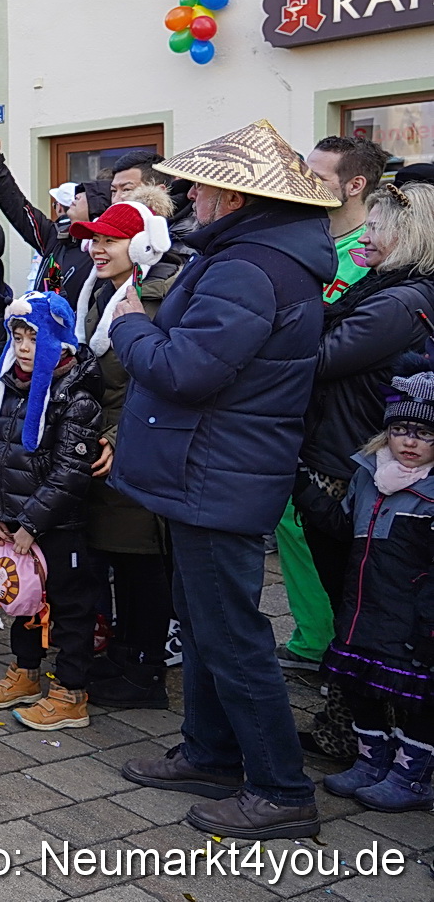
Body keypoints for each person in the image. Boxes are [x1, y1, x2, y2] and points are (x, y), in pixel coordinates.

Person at [112, 119, 337, 840]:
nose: (190, 196)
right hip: (213, 467)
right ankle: (210, 751)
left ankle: (279, 787)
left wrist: (128, 325)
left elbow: (187, 369)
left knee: (232, 634)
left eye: (201, 186)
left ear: (234, 198)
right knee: (207, 625)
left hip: (216, 472)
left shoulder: (248, 266)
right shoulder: (263, 254)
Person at [294, 181, 434, 757]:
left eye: (376, 226)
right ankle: (355, 726)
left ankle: (366, 732)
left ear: (409, 236)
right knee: (351, 600)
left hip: (353, 467)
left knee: (359, 602)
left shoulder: (400, 301)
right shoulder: (386, 289)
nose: (364, 234)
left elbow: (321, 359)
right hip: (350, 457)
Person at [66, 189, 184, 708]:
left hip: (137, 441)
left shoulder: (155, 298)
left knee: (142, 563)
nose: (98, 247)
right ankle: (123, 652)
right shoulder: (102, 292)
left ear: (140, 244)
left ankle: (145, 669)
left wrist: (117, 435)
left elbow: (152, 376)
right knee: (115, 554)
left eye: (111, 239)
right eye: (95, 238)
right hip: (107, 436)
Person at [278, 137, 391, 673]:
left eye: (319, 176)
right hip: (293, 415)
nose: (307, 183)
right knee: (290, 522)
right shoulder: (304, 236)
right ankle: (312, 639)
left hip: (349, 428)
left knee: (330, 534)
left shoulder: (373, 255)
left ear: (355, 185)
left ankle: (337, 650)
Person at [0, 292, 104, 730]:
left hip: (58, 523)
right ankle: (25, 674)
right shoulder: (9, 382)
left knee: (69, 607)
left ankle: (70, 693)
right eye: (18, 335)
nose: (25, 345)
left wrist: (32, 523)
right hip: (14, 518)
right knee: (22, 599)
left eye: (35, 336)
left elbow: (71, 472)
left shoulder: (75, 395)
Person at [320, 372, 434, 811]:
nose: (410, 441)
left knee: (420, 696)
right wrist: (310, 495)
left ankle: (413, 774)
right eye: (401, 430)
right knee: (359, 682)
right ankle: (372, 760)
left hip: (413, 613)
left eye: (424, 433)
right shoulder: (369, 475)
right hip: (365, 603)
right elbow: (345, 527)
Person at [0, 137, 112, 296]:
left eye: (87, 195)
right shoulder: (58, 236)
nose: (76, 197)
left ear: (100, 207)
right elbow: (18, 208)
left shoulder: (105, 254)